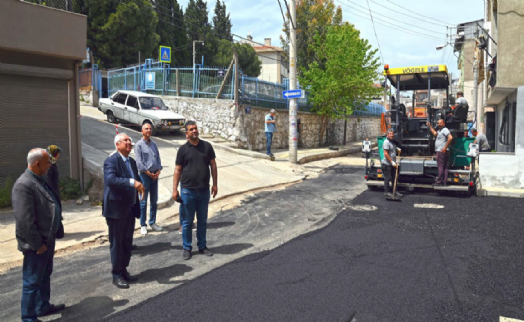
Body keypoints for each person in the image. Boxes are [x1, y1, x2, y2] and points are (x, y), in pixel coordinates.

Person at [13, 148, 65, 321]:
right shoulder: (23, 185)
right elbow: (25, 221)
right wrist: (38, 245)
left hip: (47, 239)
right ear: (37, 164)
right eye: (47, 163)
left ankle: (42, 306)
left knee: (44, 275)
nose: (49, 165)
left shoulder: (40, 179)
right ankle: (28, 318)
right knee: (32, 282)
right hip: (37, 245)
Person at [103, 133, 145, 289]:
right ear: (117, 144)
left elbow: (135, 181)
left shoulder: (132, 162)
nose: (129, 142)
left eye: (129, 140)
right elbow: (111, 180)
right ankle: (116, 274)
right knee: (117, 243)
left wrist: (140, 187)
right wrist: (133, 182)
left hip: (129, 208)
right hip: (116, 210)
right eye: (125, 140)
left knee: (127, 242)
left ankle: (124, 270)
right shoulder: (111, 161)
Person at [172, 121, 218, 260]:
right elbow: (177, 169)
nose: (194, 131)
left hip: (203, 190)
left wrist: (215, 184)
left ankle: (202, 246)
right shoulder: (182, 150)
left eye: (196, 128)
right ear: (187, 133)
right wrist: (174, 189)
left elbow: (213, 166)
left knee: (202, 220)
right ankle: (187, 247)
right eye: (191, 129)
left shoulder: (207, 146)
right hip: (187, 191)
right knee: (187, 221)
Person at [135, 123, 163, 235]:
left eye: (150, 129)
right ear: (142, 131)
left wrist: (158, 170)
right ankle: (143, 224)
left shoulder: (154, 144)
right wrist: (149, 173)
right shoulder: (139, 145)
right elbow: (139, 163)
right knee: (143, 201)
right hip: (145, 176)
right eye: (146, 129)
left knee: (154, 200)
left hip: (155, 176)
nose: (149, 130)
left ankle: (153, 222)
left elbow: (158, 158)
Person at [427, 119, 453, 186]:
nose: (439, 124)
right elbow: (435, 133)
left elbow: (450, 138)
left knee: (440, 166)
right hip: (443, 150)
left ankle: (439, 182)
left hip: (441, 151)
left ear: (444, 123)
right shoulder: (440, 131)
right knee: (445, 167)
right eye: (438, 123)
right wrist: (430, 126)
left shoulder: (445, 130)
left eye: (440, 123)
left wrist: (444, 148)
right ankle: (444, 182)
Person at [381, 130, 402, 198]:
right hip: (387, 164)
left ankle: (394, 191)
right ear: (387, 135)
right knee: (387, 178)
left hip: (392, 164)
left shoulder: (392, 142)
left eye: (392, 134)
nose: (391, 135)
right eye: (390, 134)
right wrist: (392, 161)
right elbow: (386, 154)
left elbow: (392, 150)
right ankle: (386, 192)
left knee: (394, 177)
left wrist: (397, 149)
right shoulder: (386, 142)